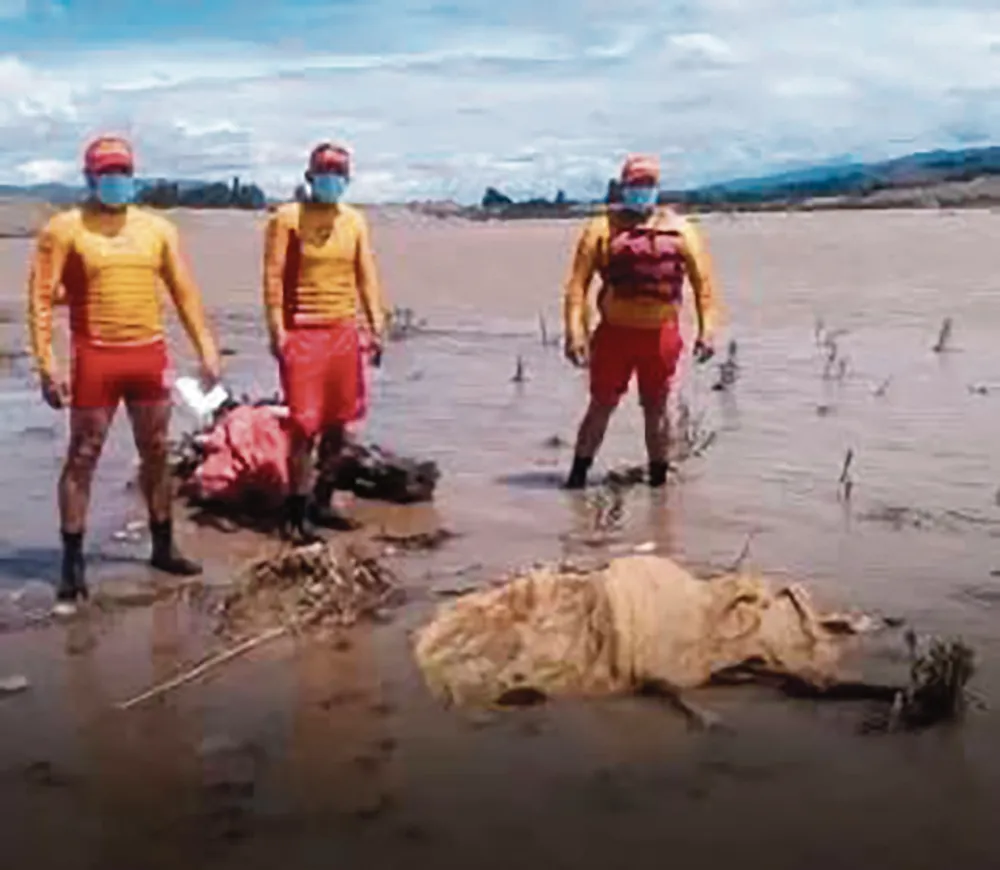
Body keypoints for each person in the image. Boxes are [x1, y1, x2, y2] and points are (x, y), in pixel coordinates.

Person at [27, 134, 222, 613]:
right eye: (105, 172)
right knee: (83, 454)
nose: (115, 180)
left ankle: (163, 546)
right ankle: (72, 564)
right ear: (90, 178)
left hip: (147, 355)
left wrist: (208, 350)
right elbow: (40, 300)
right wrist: (47, 366)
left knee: (156, 451)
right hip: (96, 356)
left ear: (133, 175)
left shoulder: (158, 230)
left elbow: (184, 292)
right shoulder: (64, 229)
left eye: (122, 172)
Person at [561, 153, 720, 489]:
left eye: (648, 184)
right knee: (601, 406)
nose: (642, 190)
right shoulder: (601, 229)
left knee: (657, 408)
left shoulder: (681, 230)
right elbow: (578, 286)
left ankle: (658, 485)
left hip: (660, 337)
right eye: (636, 184)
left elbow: (703, 285)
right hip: (614, 336)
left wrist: (708, 331)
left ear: (657, 187)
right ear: (624, 187)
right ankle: (576, 480)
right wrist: (574, 332)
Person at [262, 142, 386, 543]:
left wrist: (376, 325)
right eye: (324, 173)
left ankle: (323, 501)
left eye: (338, 173)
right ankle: (294, 514)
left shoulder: (354, 221)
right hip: (303, 331)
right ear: (310, 177)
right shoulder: (287, 219)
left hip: (343, 332)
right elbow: (273, 277)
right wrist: (277, 331)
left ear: (347, 180)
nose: (331, 180)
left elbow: (366, 274)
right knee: (304, 427)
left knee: (339, 425)